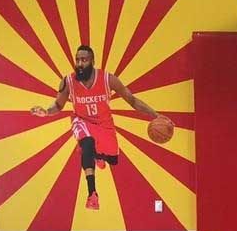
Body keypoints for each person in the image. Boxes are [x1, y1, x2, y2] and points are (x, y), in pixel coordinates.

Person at [30, 45, 172, 210]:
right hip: (81, 121)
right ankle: (92, 194)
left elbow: (132, 100)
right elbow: (58, 105)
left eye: (84, 59)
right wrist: (46, 112)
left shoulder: (108, 79)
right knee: (87, 142)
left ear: (92, 61)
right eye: (77, 60)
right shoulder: (68, 81)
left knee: (112, 159)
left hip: (105, 126)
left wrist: (156, 115)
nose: (80, 63)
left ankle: (98, 155)